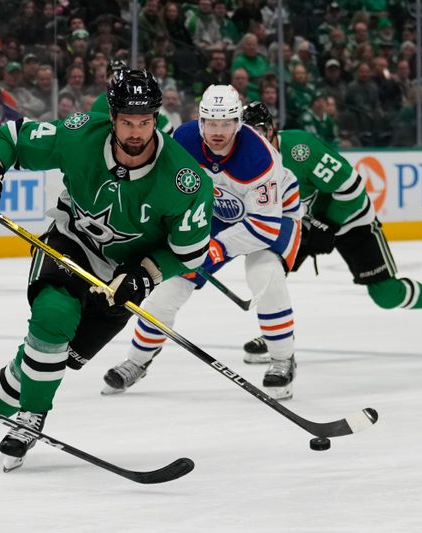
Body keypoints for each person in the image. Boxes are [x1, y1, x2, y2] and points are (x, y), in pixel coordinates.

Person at [0, 69, 214, 471]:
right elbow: (9, 136)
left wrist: (146, 274)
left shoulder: (186, 181)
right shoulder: (81, 134)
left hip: (124, 273)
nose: (136, 132)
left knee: (50, 356)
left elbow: (190, 253)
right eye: (128, 122)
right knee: (52, 317)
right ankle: (31, 419)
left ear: (156, 119)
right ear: (111, 118)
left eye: (145, 122)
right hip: (71, 242)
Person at [103, 85, 303, 400]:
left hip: (274, 217)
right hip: (214, 214)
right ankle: (136, 362)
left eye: (226, 124)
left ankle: (282, 359)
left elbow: (264, 227)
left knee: (265, 277)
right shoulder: (182, 140)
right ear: (201, 122)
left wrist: (216, 249)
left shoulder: (260, 158)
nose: (218, 131)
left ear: (239, 123)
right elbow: (161, 185)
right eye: (211, 123)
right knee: (167, 288)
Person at [239, 101, 422, 360]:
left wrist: (329, 223)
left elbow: (351, 188)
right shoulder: (246, 161)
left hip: (352, 219)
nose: (256, 138)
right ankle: (277, 334)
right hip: (305, 222)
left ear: (272, 128)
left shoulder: (300, 149)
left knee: (385, 295)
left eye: (260, 130)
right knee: (269, 271)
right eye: (249, 133)